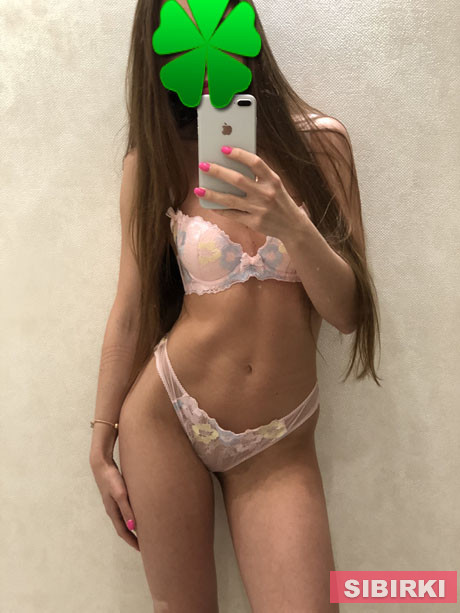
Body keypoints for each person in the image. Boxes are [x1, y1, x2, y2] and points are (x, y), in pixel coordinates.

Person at [89, 0, 382, 611]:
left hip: (279, 443)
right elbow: (129, 311)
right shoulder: (155, 162)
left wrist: (291, 224)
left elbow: (348, 312)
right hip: (166, 417)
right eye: (181, 36)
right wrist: (100, 439)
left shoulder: (322, 146)